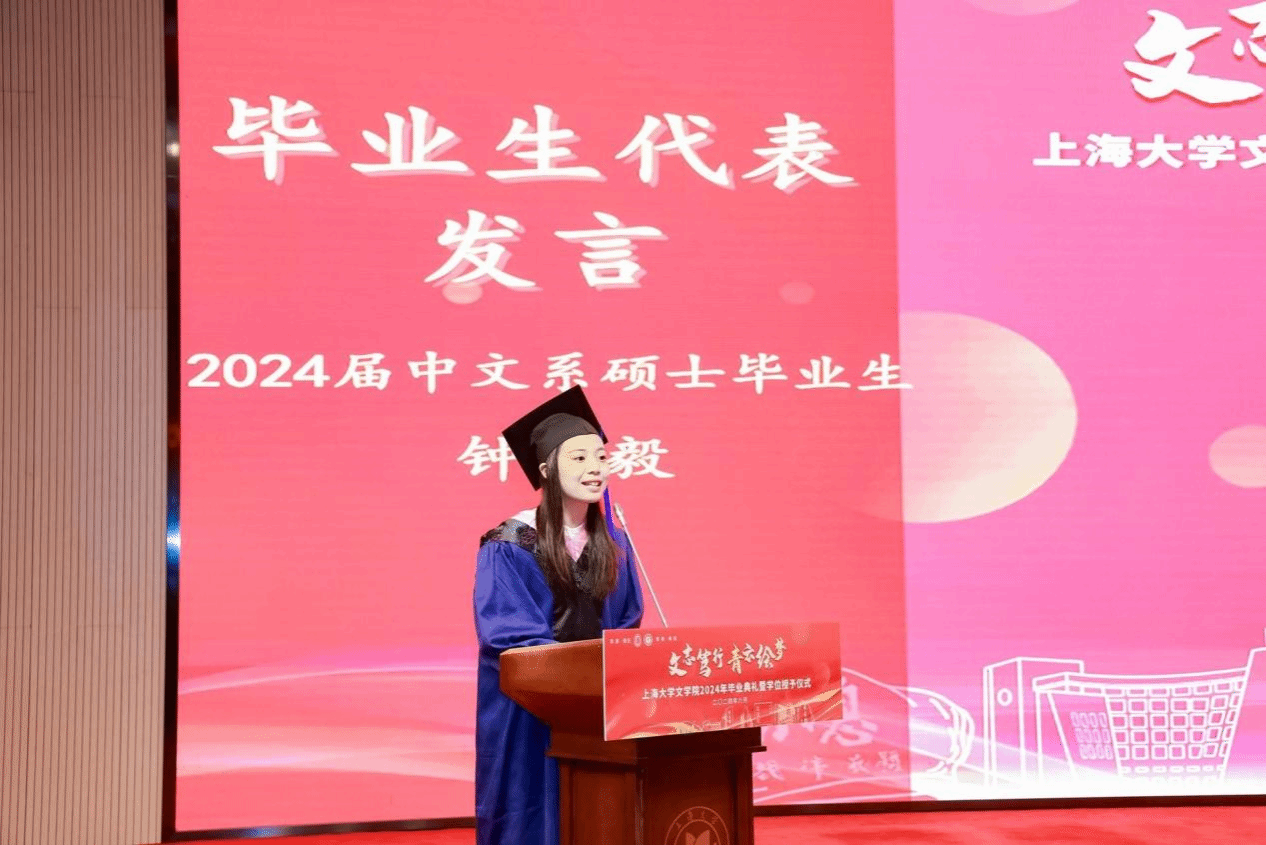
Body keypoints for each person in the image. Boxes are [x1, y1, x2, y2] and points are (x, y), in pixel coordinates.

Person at [473, 387, 644, 845]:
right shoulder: (510, 544)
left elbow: (627, 623)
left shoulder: (615, 543)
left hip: (595, 708)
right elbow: (509, 636)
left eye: (601, 457)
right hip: (529, 709)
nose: (595, 468)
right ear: (547, 470)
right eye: (579, 458)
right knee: (533, 811)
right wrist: (575, 679)